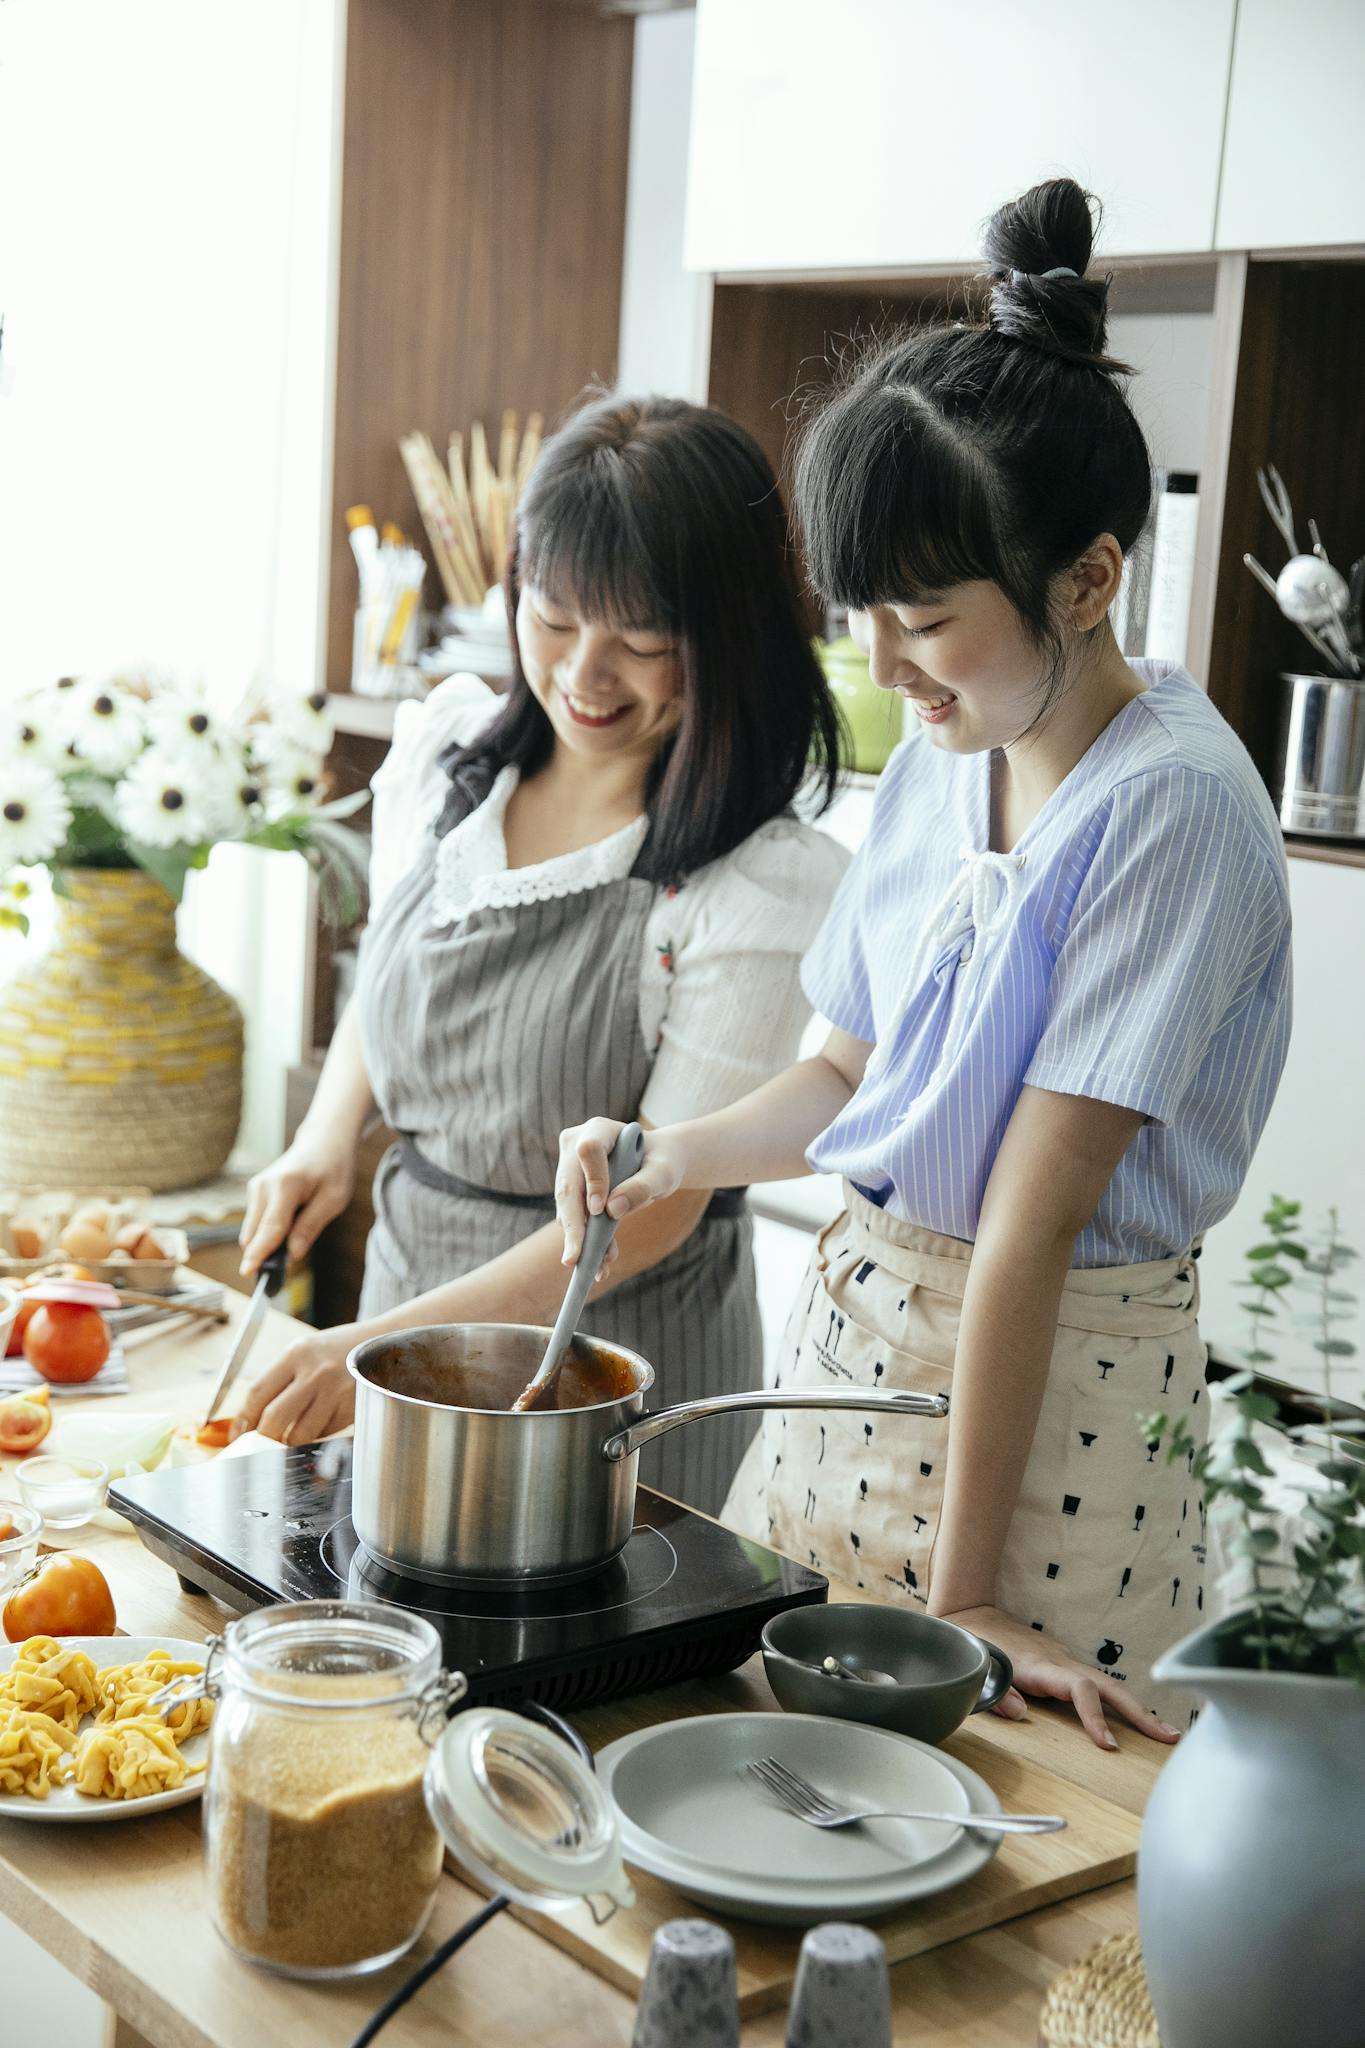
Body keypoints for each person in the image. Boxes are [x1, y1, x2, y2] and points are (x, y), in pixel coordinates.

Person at [554, 181, 1292, 1741]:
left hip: (1054, 1419)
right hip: (853, 1354)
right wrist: (664, 1148)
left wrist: (965, 1598)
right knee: (775, 1784)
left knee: (1013, 1873)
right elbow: (847, 1072)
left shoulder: (1172, 807)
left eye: (922, 621)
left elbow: (1030, 1222)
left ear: (1085, 583)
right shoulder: (957, 747)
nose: (881, 669)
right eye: (860, 616)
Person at [237, 394, 848, 1515]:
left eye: (641, 639)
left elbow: (653, 1204)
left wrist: (367, 1346)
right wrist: (327, 1138)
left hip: (610, 1369)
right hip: (410, 1282)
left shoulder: (753, 880)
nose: (585, 674)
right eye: (555, 618)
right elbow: (392, 971)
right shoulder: (448, 756)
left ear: (727, 630)